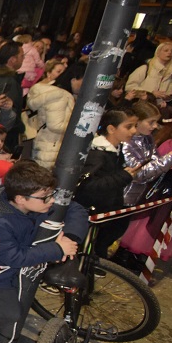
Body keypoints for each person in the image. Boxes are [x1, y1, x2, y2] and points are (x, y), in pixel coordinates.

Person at [0, 160, 87, 343]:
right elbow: (14, 258)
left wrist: (70, 238)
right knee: (9, 315)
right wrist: (58, 249)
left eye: (52, 194)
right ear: (20, 199)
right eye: (45, 197)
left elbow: (74, 208)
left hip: (11, 269)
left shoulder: (28, 200)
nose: (52, 200)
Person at [118, 103, 172, 266]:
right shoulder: (170, 144)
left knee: (162, 226)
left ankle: (142, 255)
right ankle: (130, 254)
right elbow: (167, 170)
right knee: (146, 226)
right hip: (161, 191)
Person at [74, 107, 139, 259]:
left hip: (105, 209)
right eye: (128, 126)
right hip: (92, 212)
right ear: (111, 128)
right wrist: (122, 176)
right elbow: (87, 185)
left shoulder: (115, 150)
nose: (134, 131)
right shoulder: (97, 154)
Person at [24, 58, 72, 169]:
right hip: (50, 141)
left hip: (38, 137)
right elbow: (56, 125)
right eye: (58, 71)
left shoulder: (37, 90)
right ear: (48, 73)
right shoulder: (58, 94)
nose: (61, 75)